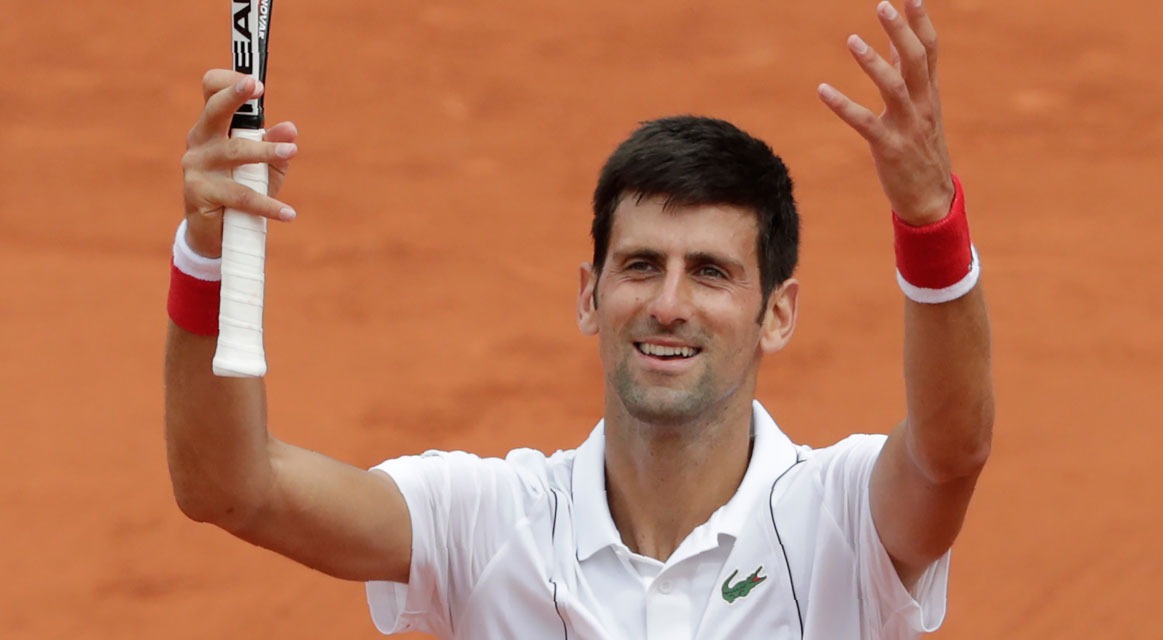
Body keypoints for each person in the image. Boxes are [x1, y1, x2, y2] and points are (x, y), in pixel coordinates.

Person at [165, 1, 993, 637]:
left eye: (710, 272)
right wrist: (207, 251)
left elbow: (950, 453)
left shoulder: (841, 519)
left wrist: (929, 222)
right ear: (590, 297)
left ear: (777, 314)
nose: (669, 303)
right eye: (640, 265)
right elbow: (233, 487)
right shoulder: (485, 523)